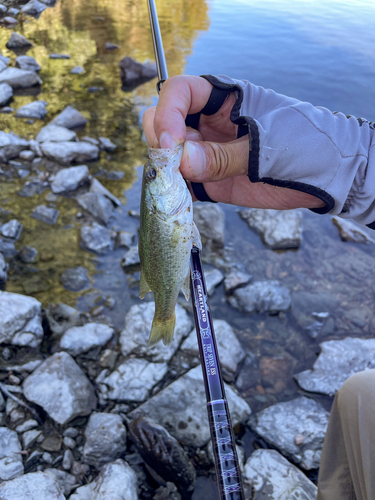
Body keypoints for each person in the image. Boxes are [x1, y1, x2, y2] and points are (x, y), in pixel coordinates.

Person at [142, 74, 375, 500]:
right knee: (357, 393)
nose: (158, 171)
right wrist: (351, 162)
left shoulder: (170, 197)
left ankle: (165, 312)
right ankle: (165, 311)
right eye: (153, 180)